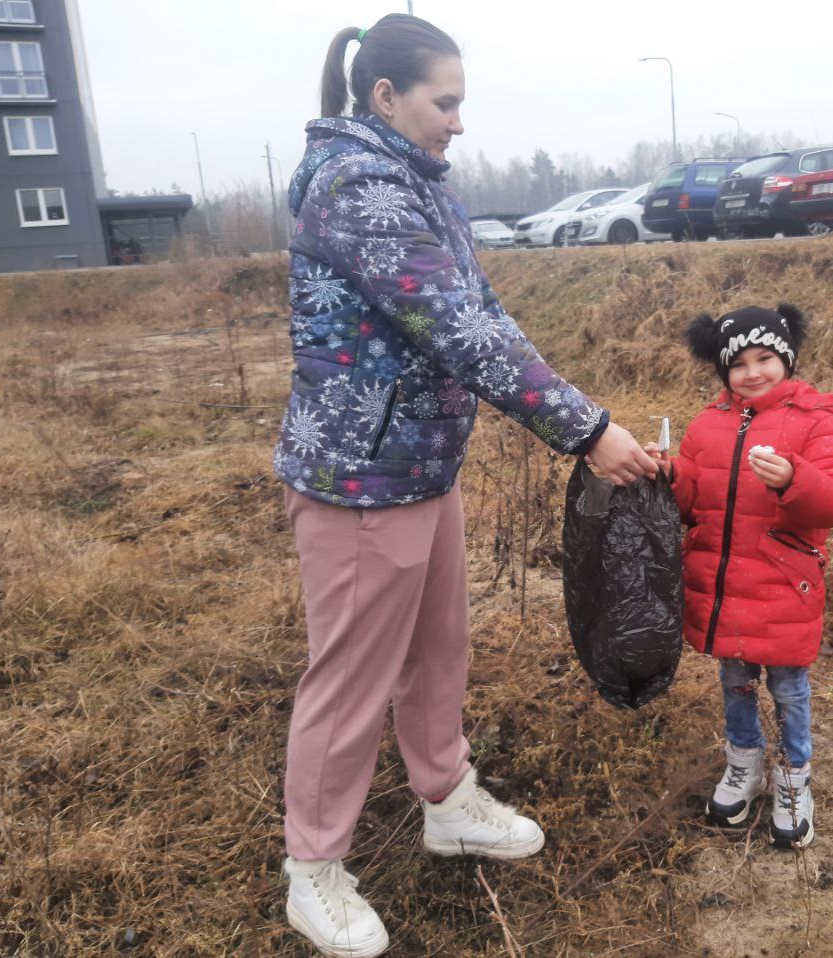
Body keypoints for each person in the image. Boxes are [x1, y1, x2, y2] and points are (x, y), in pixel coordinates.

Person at [273, 14, 657, 957]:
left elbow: (486, 311)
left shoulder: (418, 184)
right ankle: (313, 867)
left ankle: (446, 799)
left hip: (419, 467)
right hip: (360, 480)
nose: (457, 122)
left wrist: (581, 409)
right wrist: (587, 429)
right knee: (352, 681)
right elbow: (455, 327)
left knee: (438, 651)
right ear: (386, 98)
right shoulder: (359, 186)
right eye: (445, 103)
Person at [645, 304, 833, 849]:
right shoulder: (706, 423)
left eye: (765, 357)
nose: (753, 372)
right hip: (724, 588)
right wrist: (671, 476)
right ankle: (743, 764)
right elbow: (694, 502)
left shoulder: (817, 420)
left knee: (788, 689)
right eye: (737, 363)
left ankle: (793, 778)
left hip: (784, 586)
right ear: (723, 372)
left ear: (786, 358)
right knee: (735, 683)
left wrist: (794, 479)